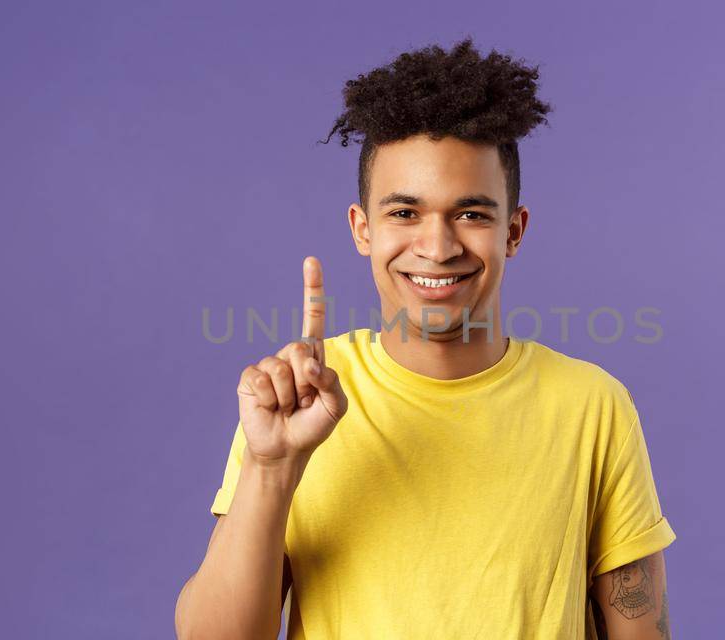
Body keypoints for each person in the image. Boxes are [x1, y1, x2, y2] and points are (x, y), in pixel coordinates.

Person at [174, 37, 675, 639]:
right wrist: (272, 466)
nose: (437, 248)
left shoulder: (593, 405)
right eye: (405, 213)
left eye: (471, 213)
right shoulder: (296, 400)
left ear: (513, 231)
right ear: (363, 229)